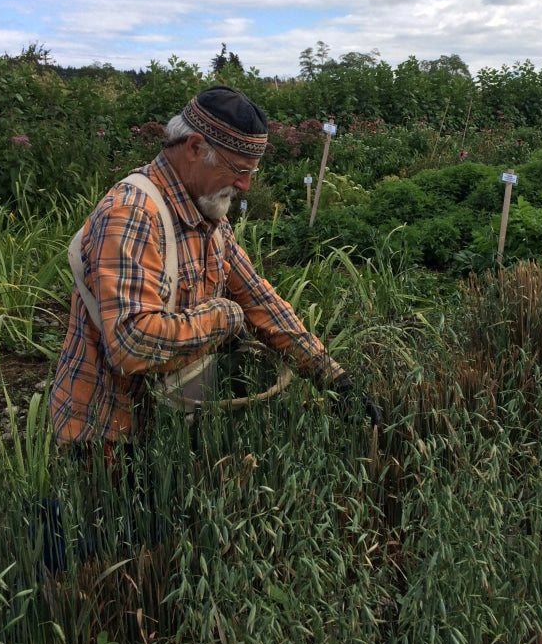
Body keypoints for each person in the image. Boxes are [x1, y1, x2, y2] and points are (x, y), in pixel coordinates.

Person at [50, 85, 381, 451]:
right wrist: (223, 318)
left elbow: (258, 298)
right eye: (239, 170)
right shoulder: (132, 214)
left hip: (165, 424)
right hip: (108, 437)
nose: (245, 185)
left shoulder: (207, 214)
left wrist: (333, 378)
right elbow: (132, 344)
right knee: (108, 510)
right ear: (194, 148)